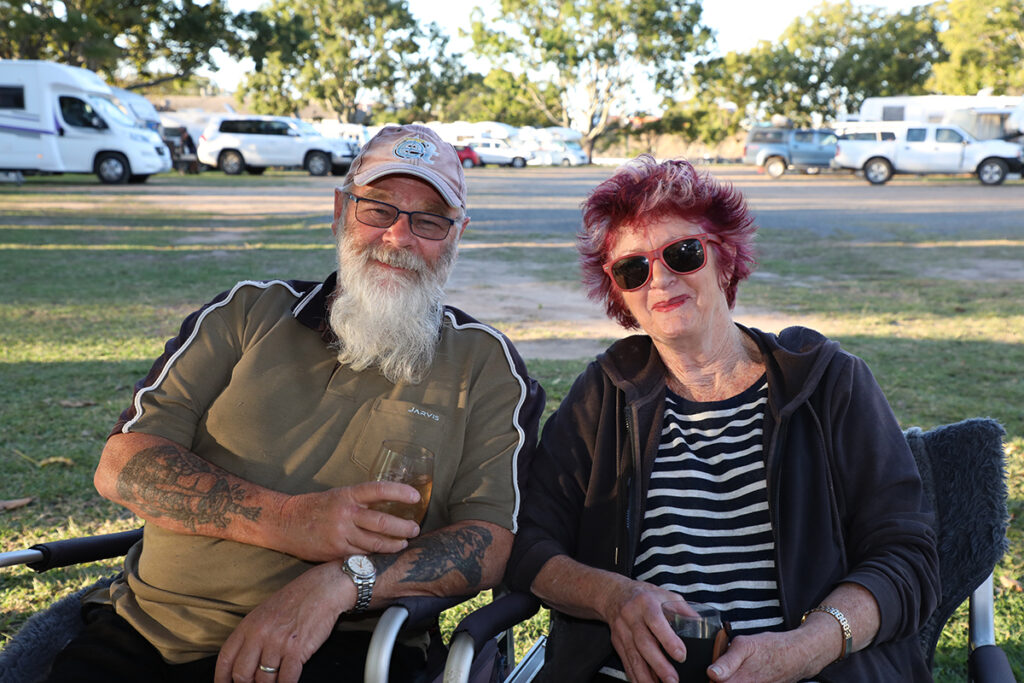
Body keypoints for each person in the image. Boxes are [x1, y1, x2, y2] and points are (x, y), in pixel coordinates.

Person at [45, 124, 544, 683]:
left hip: (348, 648)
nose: (399, 237)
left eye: (429, 220)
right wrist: (291, 521)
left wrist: (342, 582)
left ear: (457, 235)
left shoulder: (486, 365)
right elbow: (121, 466)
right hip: (150, 634)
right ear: (340, 210)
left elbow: (490, 541)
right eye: (378, 209)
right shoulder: (247, 313)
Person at [504, 155, 939, 683]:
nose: (659, 280)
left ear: (725, 261)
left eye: (683, 254)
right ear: (619, 295)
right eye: (633, 269)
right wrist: (613, 597)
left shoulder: (830, 384)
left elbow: (907, 556)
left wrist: (808, 646)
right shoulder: (604, 394)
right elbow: (528, 543)